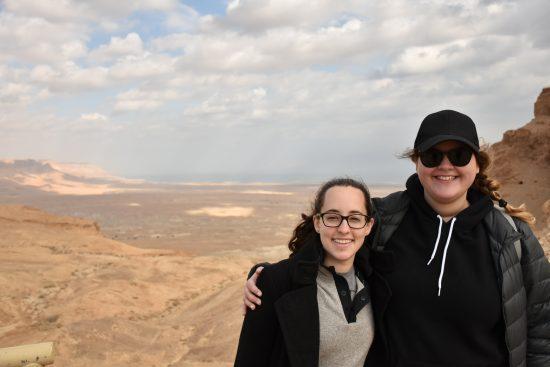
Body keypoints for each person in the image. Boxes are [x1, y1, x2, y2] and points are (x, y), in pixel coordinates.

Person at [242, 110, 550, 367]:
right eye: (432, 155)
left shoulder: (511, 237)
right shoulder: (385, 218)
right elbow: (326, 247)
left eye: (458, 154)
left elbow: (541, 330)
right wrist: (266, 280)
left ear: (477, 163)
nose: (445, 165)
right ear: (417, 162)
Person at [235, 178, 376, 367]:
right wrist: (263, 275)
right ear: (318, 222)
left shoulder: (378, 283)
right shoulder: (277, 284)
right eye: (333, 217)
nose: (344, 229)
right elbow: (250, 360)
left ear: (368, 226)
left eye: (355, 218)